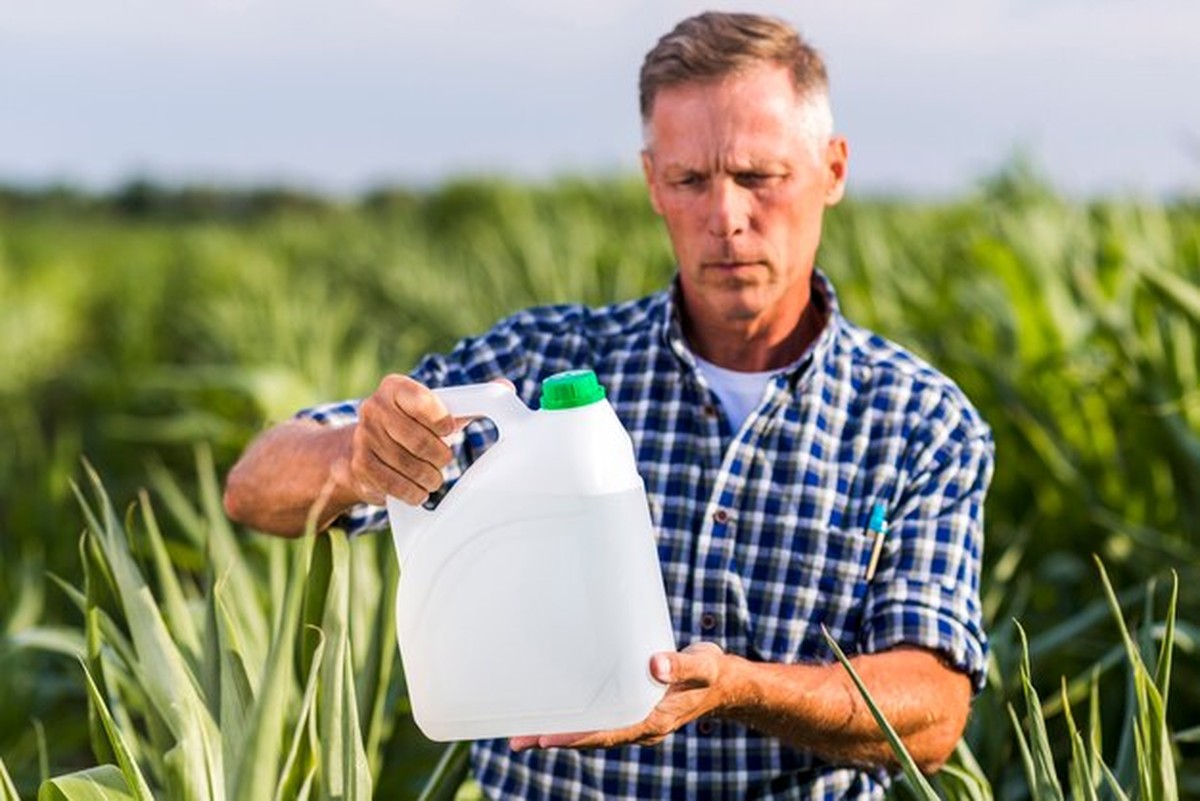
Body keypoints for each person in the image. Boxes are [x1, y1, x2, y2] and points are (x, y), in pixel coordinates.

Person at [224, 11, 993, 799]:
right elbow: (254, 486)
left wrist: (740, 689)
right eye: (691, 180)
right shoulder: (537, 368)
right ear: (653, 181)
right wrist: (358, 460)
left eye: (760, 176)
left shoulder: (919, 421)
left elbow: (933, 711)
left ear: (832, 170)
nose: (726, 216)